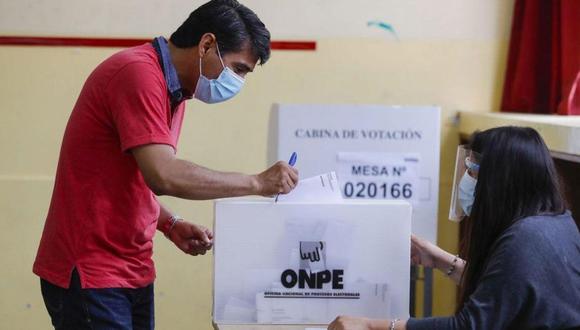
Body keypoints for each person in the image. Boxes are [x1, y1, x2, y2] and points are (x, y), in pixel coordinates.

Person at [32, 1, 298, 329]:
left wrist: (170, 224)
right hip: (92, 272)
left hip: (131, 269)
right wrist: (257, 183)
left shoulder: (176, 90)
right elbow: (163, 174)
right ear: (207, 45)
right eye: (239, 68)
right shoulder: (138, 74)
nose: (238, 81)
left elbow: (128, 179)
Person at [329, 126, 580, 330]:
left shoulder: (524, 239)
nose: (465, 180)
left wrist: (370, 326)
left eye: (472, 171)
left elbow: (468, 326)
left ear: (500, 182)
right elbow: (503, 291)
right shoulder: (557, 222)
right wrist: (438, 259)